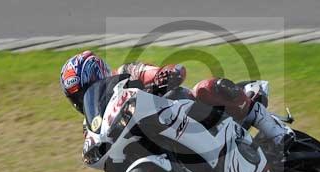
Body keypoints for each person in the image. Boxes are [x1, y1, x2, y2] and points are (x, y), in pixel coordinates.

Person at [60, 51, 294, 152]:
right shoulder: (92, 126)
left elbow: (173, 72)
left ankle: (277, 133)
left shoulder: (127, 72)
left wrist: (164, 75)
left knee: (206, 88)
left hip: (184, 111)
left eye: (86, 90)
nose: (83, 98)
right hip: (159, 145)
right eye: (77, 96)